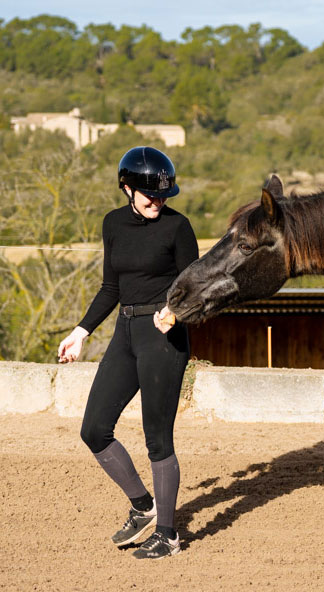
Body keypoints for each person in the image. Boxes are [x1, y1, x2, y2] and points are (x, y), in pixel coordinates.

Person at [57, 146, 198, 560]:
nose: (159, 201)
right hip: (125, 332)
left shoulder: (178, 227)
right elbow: (111, 287)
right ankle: (143, 506)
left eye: (165, 194)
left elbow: (193, 283)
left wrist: (176, 311)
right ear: (127, 188)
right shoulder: (113, 224)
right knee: (94, 429)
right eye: (150, 194)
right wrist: (81, 331)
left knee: (157, 438)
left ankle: (169, 535)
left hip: (163, 336)